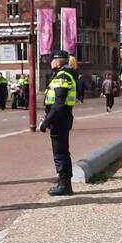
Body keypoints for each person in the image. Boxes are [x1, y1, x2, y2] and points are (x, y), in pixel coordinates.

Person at [38, 50, 77, 196]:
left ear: (58, 61)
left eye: (51, 59)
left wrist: (46, 122)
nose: (50, 62)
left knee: (60, 153)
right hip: (62, 117)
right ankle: (65, 183)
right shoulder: (64, 74)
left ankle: (64, 184)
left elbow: (59, 103)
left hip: (60, 118)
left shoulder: (63, 76)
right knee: (62, 151)